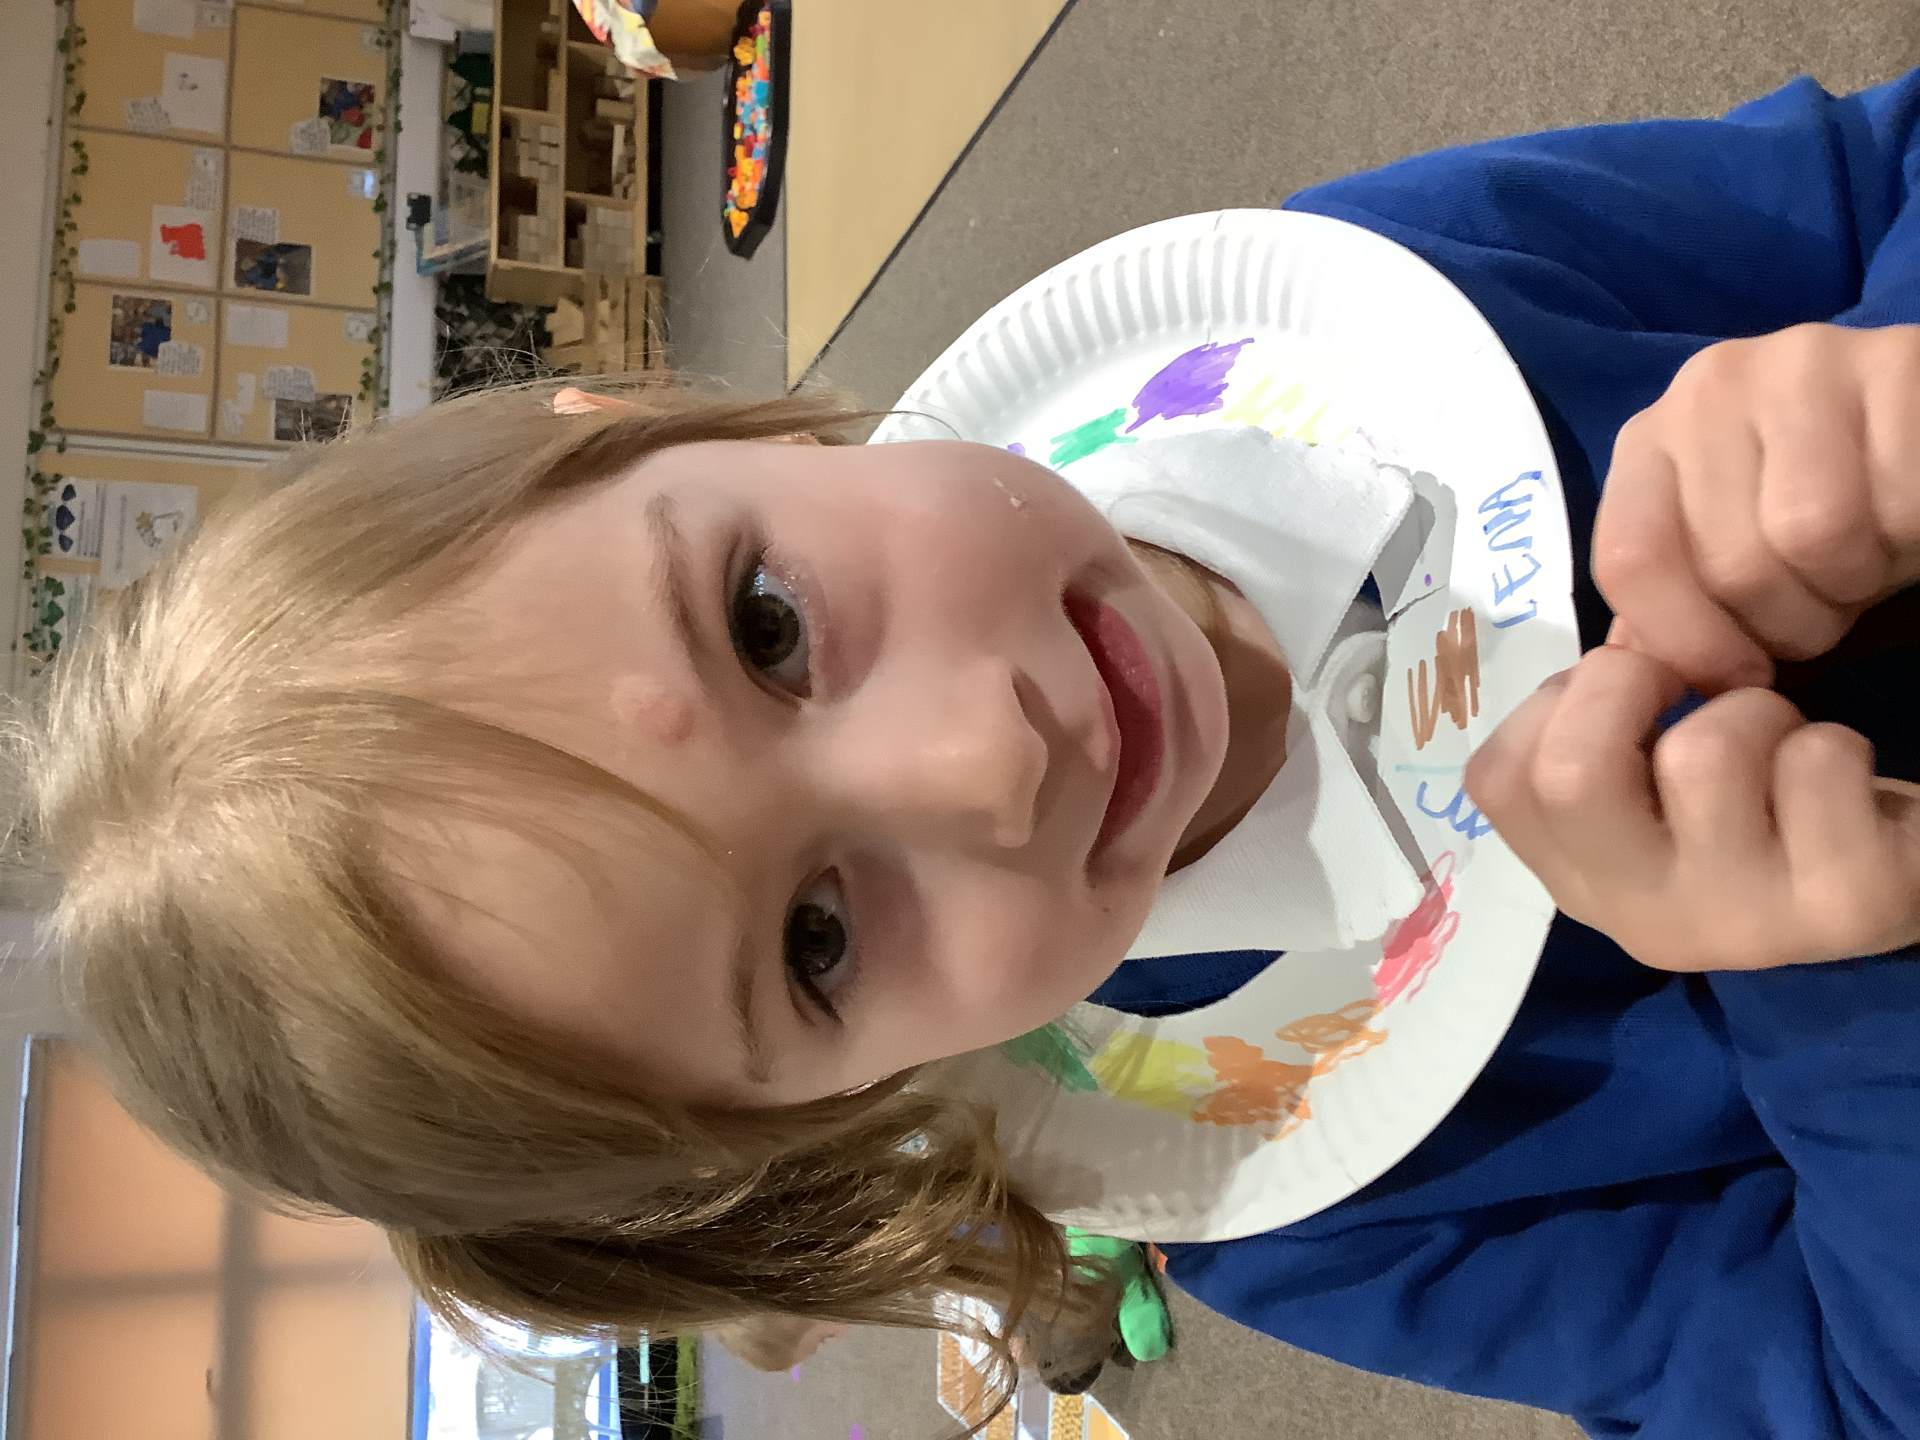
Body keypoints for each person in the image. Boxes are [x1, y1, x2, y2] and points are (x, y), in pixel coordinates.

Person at [7, 67, 1919, 1440]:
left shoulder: (1340, 316)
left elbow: (1873, 169)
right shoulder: (1287, 1190)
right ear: (815, 1117)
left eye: (766, 624)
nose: (981, 759)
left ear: (659, 425)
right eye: (818, 941)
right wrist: (1837, 995)